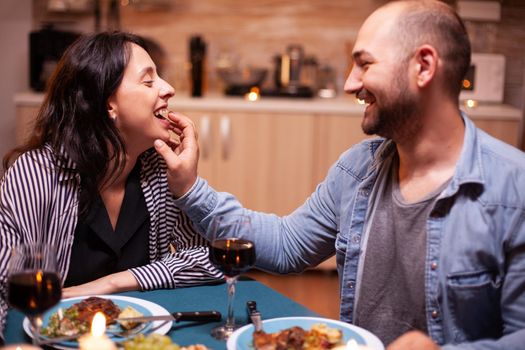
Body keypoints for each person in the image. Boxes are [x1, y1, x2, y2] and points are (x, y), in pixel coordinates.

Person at [153, 0, 525, 349]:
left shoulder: (514, 190)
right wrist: (189, 187)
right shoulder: (357, 169)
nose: (350, 83)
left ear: (424, 66)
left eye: (365, 64)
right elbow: (286, 245)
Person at [0, 31, 222, 342]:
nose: (168, 89)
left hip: (137, 339)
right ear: (108, 104)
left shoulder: (158, 169)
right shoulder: (36, 175)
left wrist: (111, 283)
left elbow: (211, 259)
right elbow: (5, 287)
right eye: (148, 81)